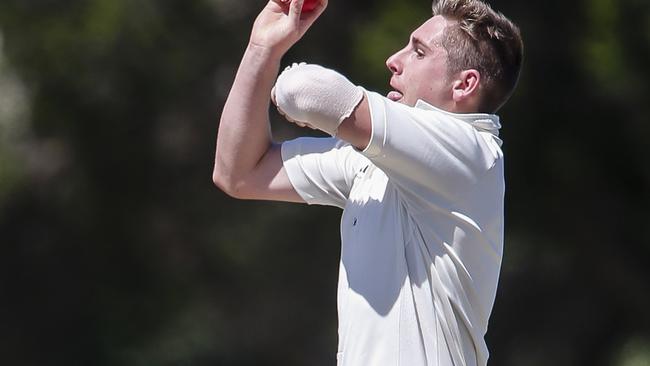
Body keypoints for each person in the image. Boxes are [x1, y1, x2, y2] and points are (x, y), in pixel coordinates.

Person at [213, 0, 523, 364]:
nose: (395, 59)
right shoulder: (374, 164)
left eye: (418, 52)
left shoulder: (470, 151)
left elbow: (304, 90)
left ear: (464, 84)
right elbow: (238, 173)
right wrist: (261, 49)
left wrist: (321, 111)